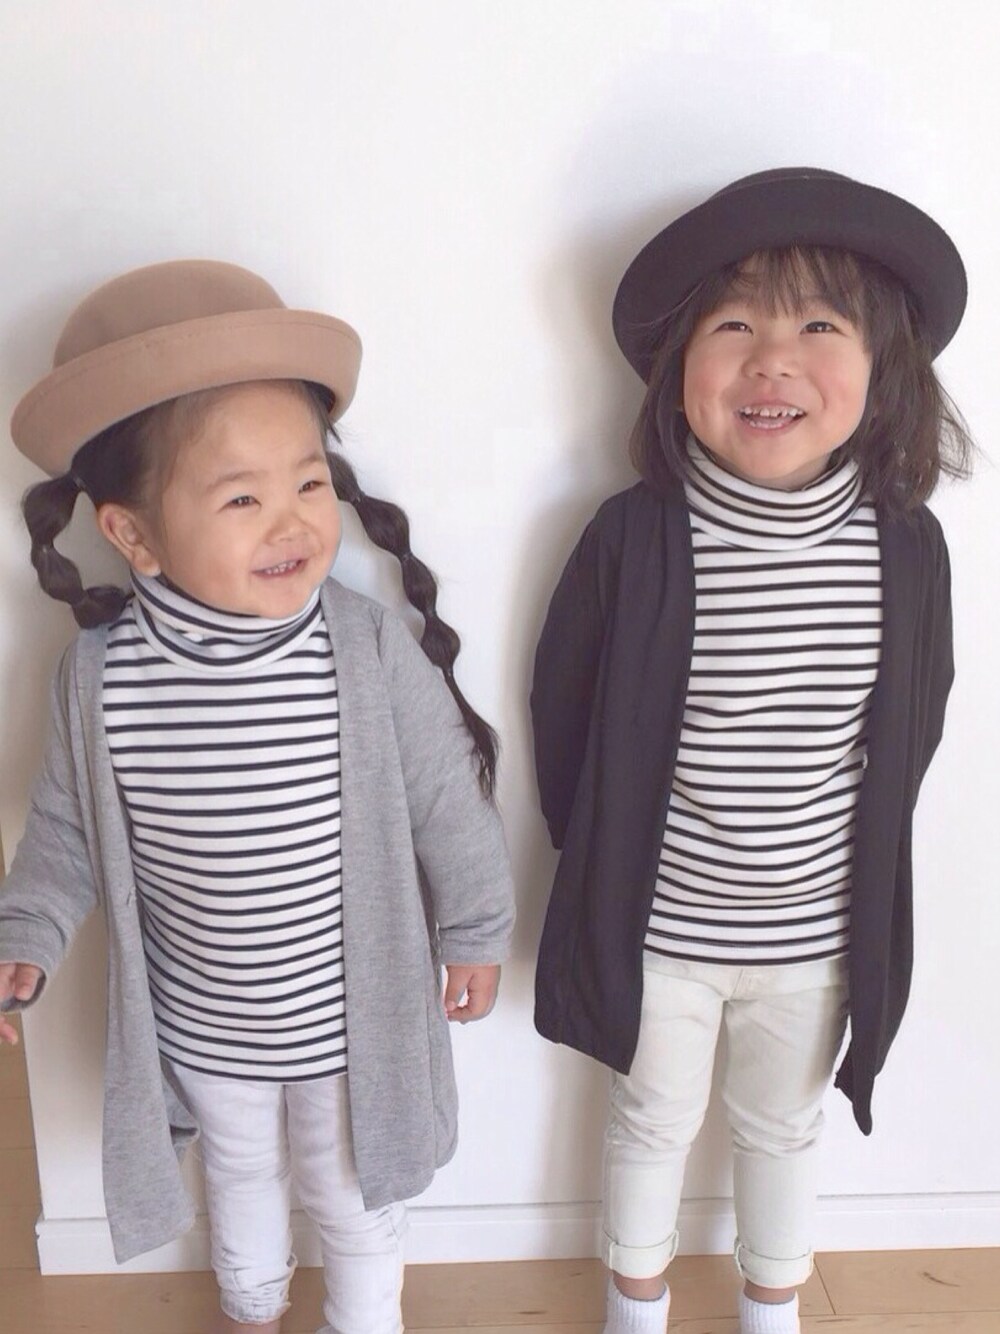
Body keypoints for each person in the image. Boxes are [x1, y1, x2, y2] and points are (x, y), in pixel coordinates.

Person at [0, 259, 515, 1334]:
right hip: (204, 1026)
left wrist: (475, 926)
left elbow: (443, 794)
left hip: (349, 1025)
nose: (292, 523)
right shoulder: (99, 678)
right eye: (242, 497)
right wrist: (27, 935)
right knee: (237, 1180)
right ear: (133, 534)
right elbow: (64, 830)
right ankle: (250, 1308)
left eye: (308, 483)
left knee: (352, 1195)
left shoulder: (362, 647)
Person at [530, 168, 971, 1334]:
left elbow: (914, 719)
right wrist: (596, 857)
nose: (772, 360)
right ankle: (634, 1307)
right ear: (678, 368)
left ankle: (772, 1308)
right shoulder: (635, 535)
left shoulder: (903, 547)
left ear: (881, 370)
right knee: (649, 1120)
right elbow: (563, 706)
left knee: (782, 1127)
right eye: (734, 326)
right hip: (660, 927)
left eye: (817, 326)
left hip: (812, 934)